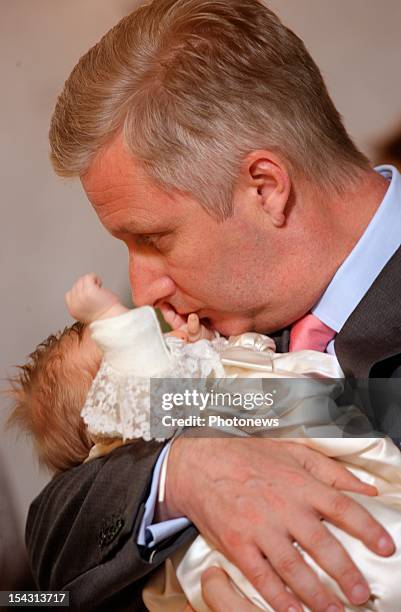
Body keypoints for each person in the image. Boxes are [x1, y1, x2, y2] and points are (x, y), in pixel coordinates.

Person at [27, 1, 401, 610]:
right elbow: (49, 540)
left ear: (265, 188)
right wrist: (183, 473)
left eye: (153, 238)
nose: (143, 291)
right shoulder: (199, 336)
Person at [12, 275, 401, 611]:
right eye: (113, 356)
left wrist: (205, 345)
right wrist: (106, 315)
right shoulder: (136, 413)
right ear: (103, 406)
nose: (142, 292)